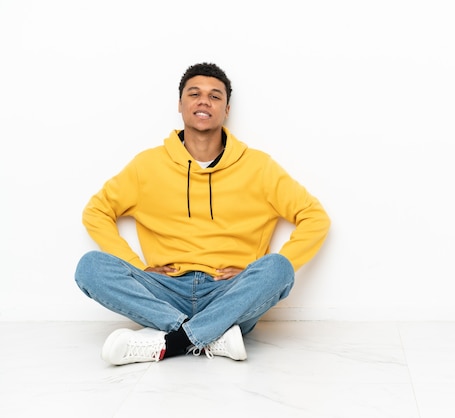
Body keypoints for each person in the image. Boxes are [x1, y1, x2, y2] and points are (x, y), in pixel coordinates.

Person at [75, 62, 330, 366]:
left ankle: (174, 341)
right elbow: (97, 211)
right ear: (181, 105)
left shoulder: (259, 167)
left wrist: (252, 270)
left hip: (229, 293)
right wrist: (136, 266)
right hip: (165, 291)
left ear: (227, 110)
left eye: (215, 96)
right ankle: (214, 335)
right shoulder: (147, 165)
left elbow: (315, 217)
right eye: (194, 94)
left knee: (278, 268)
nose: (203, 101)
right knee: (90, 267)